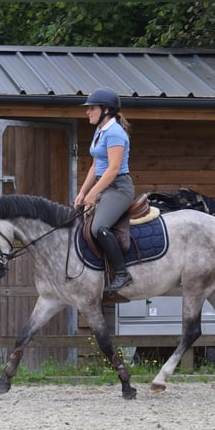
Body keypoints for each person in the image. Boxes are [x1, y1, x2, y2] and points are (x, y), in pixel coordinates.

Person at [74, 87, 135, 292]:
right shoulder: (100, 131)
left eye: (92, 108)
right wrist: (83, 192)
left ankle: (122, 273)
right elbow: (95, 166)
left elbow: (113, 169)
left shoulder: (115, 133)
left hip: (118, 188)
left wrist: (93, 194)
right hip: (104, 185)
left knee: (98, 227)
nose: (87, 112)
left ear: (106, 110)